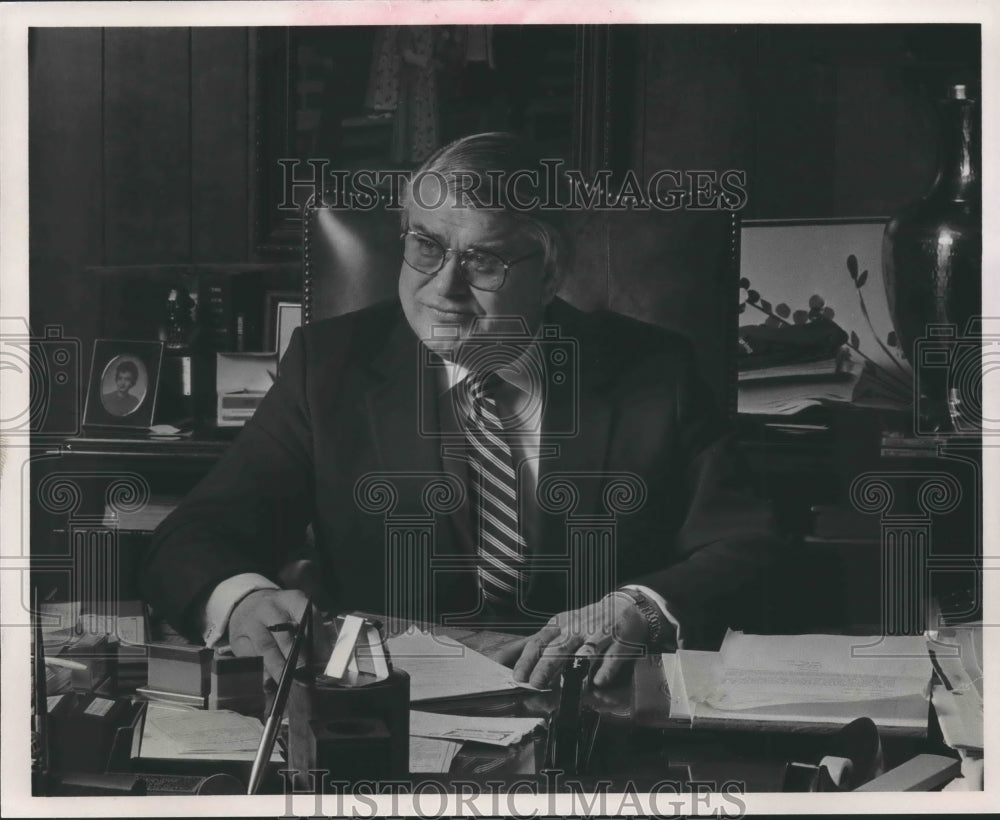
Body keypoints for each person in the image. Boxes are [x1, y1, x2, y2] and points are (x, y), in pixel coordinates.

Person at [142, 132, 776, 688]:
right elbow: (194, 536)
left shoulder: (656, 371)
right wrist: (245, 599)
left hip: (591, 701)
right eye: (426, 245)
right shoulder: (329, 367)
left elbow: (751, 543)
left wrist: (646, 606)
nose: (442, 287)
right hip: (391, 703)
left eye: (483, 260)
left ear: (550, 276)